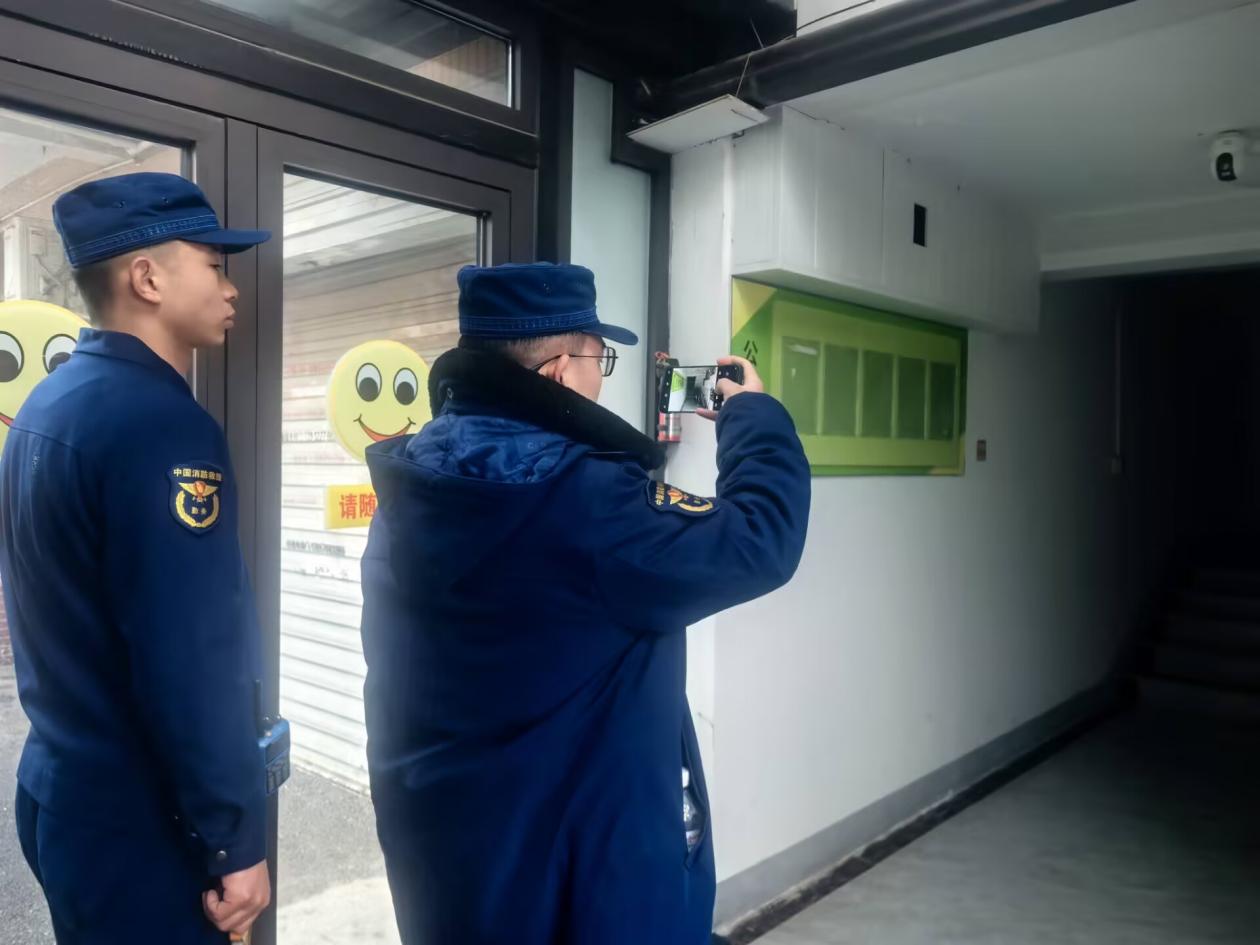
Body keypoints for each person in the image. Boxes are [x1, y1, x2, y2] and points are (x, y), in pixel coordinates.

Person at [360, 262, 811, 944]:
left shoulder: (409, 484)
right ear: (558, 372)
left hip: (453, 867)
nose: (603, 375)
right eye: (601, 358)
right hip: (586, 887)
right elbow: (760, 538)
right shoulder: (592, 503)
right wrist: (753, 415)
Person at [0, 172, 272, 943]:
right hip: (142, 822)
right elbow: (190, 654)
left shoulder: (46, 407)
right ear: (147, 278)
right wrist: (235, 836)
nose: (231, 288)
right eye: (213, 265)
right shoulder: (162, 426)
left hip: (63, 793)